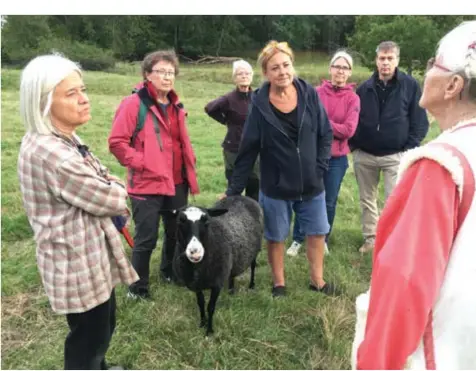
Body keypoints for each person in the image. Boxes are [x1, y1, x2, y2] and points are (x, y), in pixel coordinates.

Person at [352, 20, 476, 369]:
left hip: (437, 353)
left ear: (454, 84)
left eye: (433, 63)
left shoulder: (441, 164)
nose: (427, 71)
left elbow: (403, 288)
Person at [17, 53, 139, 370]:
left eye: (82, 89)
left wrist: (107, 182)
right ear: (43, 101)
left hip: (85, 255)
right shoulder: (53, 154)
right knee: (89, 337)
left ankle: (99, 367)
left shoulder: (61, 136)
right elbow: (109, 197)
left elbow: (97, 172)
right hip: (75, 262)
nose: (84, 99)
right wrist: (117, 187)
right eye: (71, 93)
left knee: (102, 324)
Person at [221, 41, 335, 297]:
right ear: (266, 73)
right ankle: (279, 283)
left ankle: (317, 280)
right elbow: (248, 149)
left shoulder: (309, 94)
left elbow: (326, 133)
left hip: (311, 183)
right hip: (275, 184)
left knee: (317, 233)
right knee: (276, 236)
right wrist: (233, 190)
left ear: (292, 66)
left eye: (286, 65)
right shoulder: (259, 106)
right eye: (275, 68)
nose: (282, 71)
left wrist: (320, 166)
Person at [108, 49, 200, 299]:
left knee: (175, 232)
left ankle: (169, 272)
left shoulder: (175, 105)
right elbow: (117, 142)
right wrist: (145, 162)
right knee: (146, 238)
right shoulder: (133, 105)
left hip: (177, 182)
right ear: (147, 74)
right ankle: (138, 288)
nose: (167, 77)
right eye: (161, 72)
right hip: (146, 184)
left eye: (171, 73)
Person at [348, 40, 430, 253]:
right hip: (365, 155)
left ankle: (394, 241)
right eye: (382, 59)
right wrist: (354, 145)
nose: (385, 63)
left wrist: (409, 149)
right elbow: (353, 118)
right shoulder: (364, 88)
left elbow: (420, 121)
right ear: (376, 61)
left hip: (396, 155)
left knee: (395, 200)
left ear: (397, 60)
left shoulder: (410, 86)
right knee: (367, 200)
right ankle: (371, 239)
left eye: (390, 58)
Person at [287, 50, 361, 257]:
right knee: (305, 196)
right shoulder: (315, 93)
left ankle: (322, 239)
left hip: (336, 159)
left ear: (349, 72)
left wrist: (323, 124)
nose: (340, 71)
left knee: (328, 200)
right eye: (337, 66)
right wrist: (325, 126)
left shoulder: (353, 99)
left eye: (345, 68)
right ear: (330, 69)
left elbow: (349, 130)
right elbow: (304, 121)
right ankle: (298, 238)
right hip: (310, 156)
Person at [204, 60, 259, 200]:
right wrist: (226, 120)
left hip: (254, 148)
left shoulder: (258, 97)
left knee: (255, 184)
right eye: (240, 74)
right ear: (235, 78)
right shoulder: (229, 98)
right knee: (234, 186)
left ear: (252, 76)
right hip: (233, 147)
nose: (244, 76)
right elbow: (210, 108)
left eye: (247, 73)